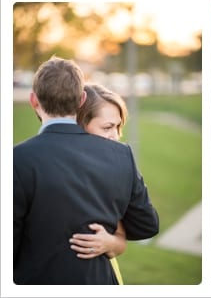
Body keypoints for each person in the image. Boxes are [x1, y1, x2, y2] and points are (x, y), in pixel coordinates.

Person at [13, 57, 159, 284]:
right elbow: (147, 225)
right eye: (108, 127)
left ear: (34, 100)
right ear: (81, 100)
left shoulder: (17, 159)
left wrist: (114, 242)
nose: (114, 134)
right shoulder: (121, 156)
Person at [67, 84, 131, 285]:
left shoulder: (112, 174)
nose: (115, 135)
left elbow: (121, 241)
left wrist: (108, 242)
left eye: (118, 127)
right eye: (107, 127)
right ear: (81, 124)